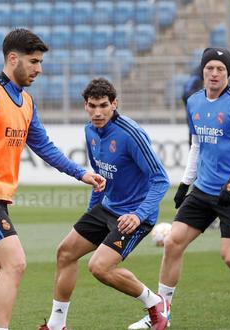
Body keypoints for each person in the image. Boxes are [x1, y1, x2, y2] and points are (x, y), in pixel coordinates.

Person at [0, 28, 106, 330]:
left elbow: (43, 145)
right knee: (15, 264)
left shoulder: (26, 102)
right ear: (12, 58)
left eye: (40, 62)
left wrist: (80, 172)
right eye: (33, 61)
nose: (39, 69)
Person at [128, 48, 230, 329]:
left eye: (221, 69)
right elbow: (197, 145)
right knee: (173, 242)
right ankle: (162, 314)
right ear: (203, 70)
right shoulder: (194, 102)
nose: (214, 73)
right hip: (203, 189)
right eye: (210, 68)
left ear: (227, 73)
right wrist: (186, 182)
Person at [39, 78, 170, 330]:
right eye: (92, 106)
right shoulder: (90, 131)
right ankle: (57, 325)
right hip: (107, 207)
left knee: (99, 267)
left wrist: (139, 215)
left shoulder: (131, 134)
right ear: (85, 105)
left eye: (103, 106)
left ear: (114, 104)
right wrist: (91, 214)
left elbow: (161, 180)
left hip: (134, 214)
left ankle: (155, 304)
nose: (97, 112)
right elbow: (101, 177)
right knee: (65, 252)